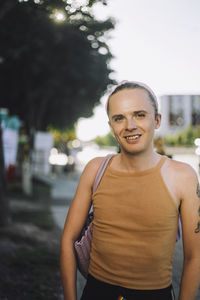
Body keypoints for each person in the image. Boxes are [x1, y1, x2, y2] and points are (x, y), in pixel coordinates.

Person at [60, 81, 200, 300]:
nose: (130, 125)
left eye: (140, 115)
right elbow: (68, 239)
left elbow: (195, 257)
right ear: (111, 126)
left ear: (157, 120)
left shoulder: (183, 176)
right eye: (119, 118)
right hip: (96, 293)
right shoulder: (95, 169)